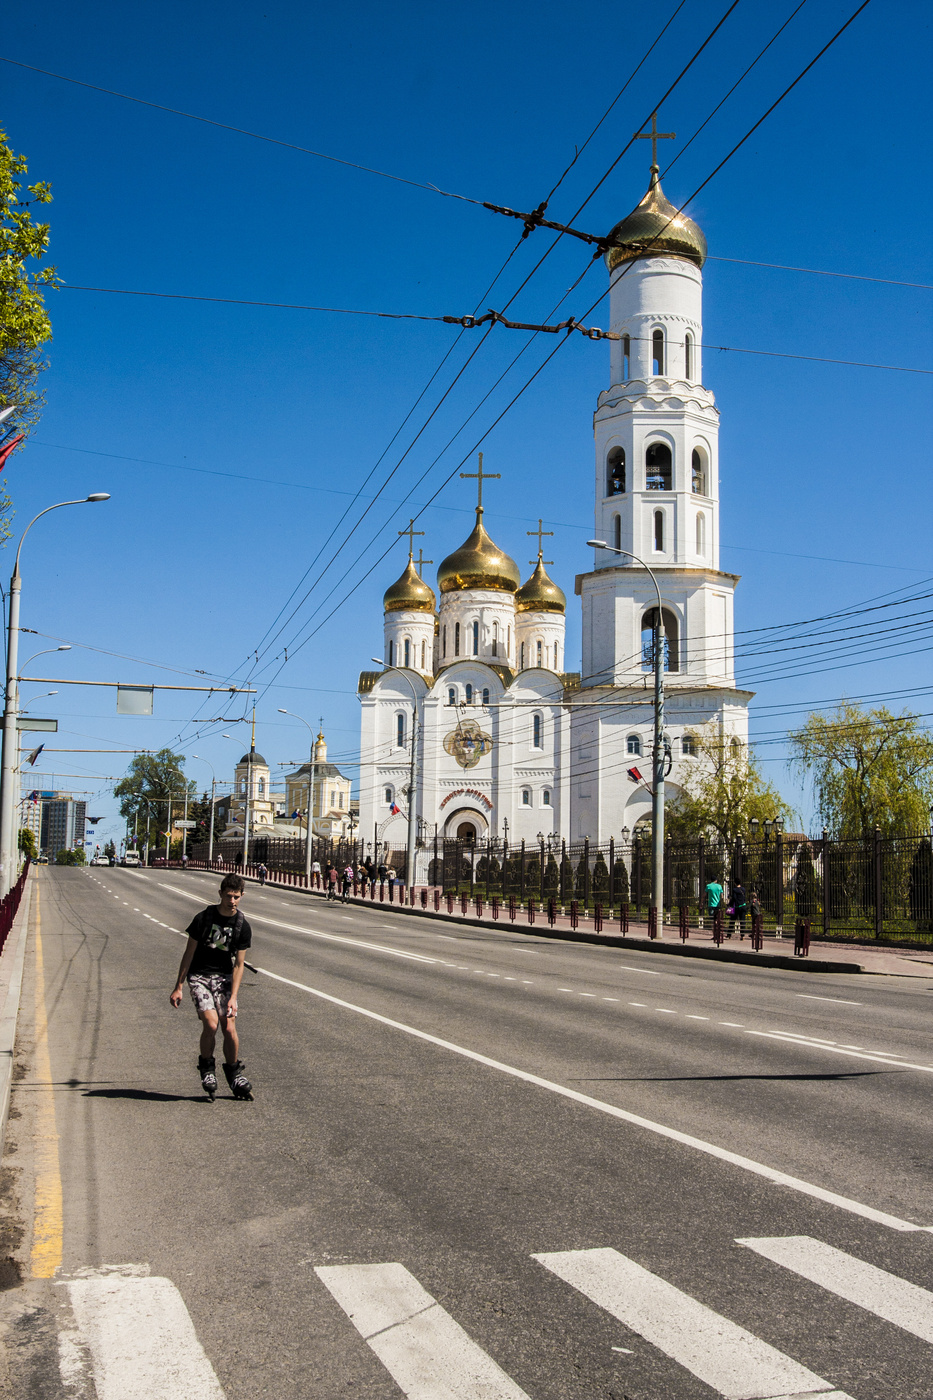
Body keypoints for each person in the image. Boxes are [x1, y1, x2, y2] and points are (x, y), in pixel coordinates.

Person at [169, 873, 254, 1100]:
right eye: (228, 896)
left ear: (242, 896)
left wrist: (234, 997)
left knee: (228, 1026)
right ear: (220, 894)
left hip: (225, 978)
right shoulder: (203, 918)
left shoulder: (241, 926)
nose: (232, 901)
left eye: (237, 897)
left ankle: (234, 1073)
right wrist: (178, 986)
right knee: (211, 1023)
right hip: (199, 976)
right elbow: (188, 954)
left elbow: (239, 965)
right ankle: (207, 1069)